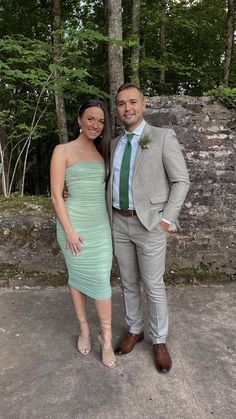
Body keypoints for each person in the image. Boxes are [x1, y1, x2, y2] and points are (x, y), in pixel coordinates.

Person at [106, 83, 190, 373]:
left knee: (153, 286)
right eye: (121, 104)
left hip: (151, 224)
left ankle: (159, 340)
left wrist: (166, 220)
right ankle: (135, 329)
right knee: (128, 282)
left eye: (132, 102)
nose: (127, 108)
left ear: (143, 105)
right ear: (116, 109)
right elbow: (106, 182)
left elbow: (181, 181)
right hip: (119, 222)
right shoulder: (114, 144)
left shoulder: (163, 137)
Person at [50, 99, 116, 369]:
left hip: (100, 227)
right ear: (79, 120)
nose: (95, 125)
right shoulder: (62, 150)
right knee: (76, 278)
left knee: (102, 280)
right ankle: (84, 329)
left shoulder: (104, 151)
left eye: (100, 121)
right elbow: (56, 194)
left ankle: (107, 338)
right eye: (90, 119)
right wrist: (69, 231)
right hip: (73, 225)